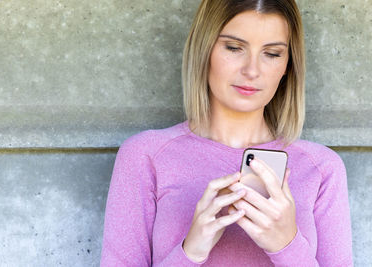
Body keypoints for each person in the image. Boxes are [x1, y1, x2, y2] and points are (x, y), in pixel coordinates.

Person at [100, 0, 353, 266]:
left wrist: (287, 245)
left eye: (272, 53)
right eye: (234, 48)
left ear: (288, 65)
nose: (252, 70)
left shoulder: (323, 168)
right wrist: (191, 251)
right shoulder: (145, 155)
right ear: (204, 49)